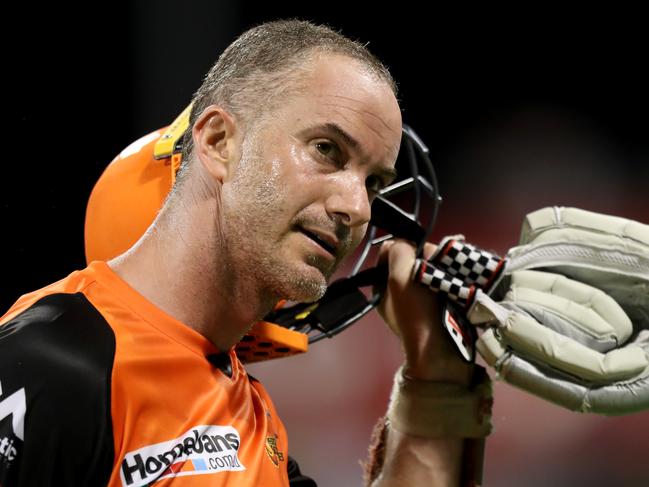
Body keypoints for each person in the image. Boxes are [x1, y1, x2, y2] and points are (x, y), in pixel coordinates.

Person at [0, 20, 492, 486]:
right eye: (326, 149)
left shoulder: (246, 409)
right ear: (217, 142)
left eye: (373, 183)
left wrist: (435, 376)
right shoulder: (52, 366)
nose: (357, 207)